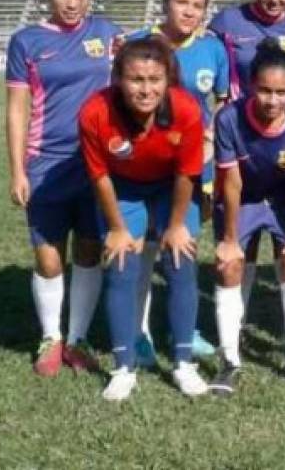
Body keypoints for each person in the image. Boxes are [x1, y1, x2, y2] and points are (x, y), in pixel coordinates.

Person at [5, 0, 122, 376]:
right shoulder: (26, 42)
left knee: (90, 249)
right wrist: (17, 169)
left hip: (95, 165)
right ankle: (51, 336)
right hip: (45, 164)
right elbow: (17, 109)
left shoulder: (108, 34)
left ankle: (77, 338)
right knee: (48, 256)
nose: (72, 4)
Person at [79, 37, 208, 401]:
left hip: (171, 188)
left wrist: (177, 225)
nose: (146, 89)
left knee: (181, 259)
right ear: (118, 78)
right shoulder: (95, 112)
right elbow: (99, 176)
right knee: (121, 265)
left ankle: (183, 363)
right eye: (136, 79)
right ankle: (123, 367)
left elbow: (187, 174)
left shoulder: (186, 110)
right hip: (123, 187)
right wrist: (119, 229)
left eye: (155, 79)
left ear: (168, 79)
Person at [208, 0, 285, 332]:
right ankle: (234, 329)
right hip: (241, 133)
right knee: (243, 240)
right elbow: (208, 64)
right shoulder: (226, 23)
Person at [128, 0, 228, 365]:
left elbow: (222, 102)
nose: (188, 12)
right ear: (166, 2)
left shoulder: (212, 50)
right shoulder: (139, 44)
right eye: (181, 2)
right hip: (146, 168)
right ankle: (139, 332)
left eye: (197, 5)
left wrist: (209, 141)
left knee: (181, 249)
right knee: (144, 252)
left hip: (194, 170)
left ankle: (184, 330)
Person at [209, 39, 285, 396]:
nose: (272, 100)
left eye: (281, 91)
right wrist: (227, 240)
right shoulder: (229, 118)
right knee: (230, 266)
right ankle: (229, 359)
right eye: (265, 90)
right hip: (245, 198)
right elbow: (232, 182)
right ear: (251, 86)